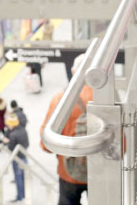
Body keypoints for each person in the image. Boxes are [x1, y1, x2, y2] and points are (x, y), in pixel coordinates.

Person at [40, 54, 92, 205]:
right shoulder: (108, 99)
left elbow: (46, 145)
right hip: (99, 172)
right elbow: (122, 143)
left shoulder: (60, 100)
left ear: (73, 71)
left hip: (68, 172)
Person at [2, 111, 29, 203]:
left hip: (17, 159)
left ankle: (19, 197)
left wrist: (7, 141)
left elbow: (10, 148)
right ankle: (25, 194)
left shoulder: (13, 135)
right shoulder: (23, 129)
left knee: (18, 179)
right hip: (24, 156)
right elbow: (27, 143)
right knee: (23, 177)